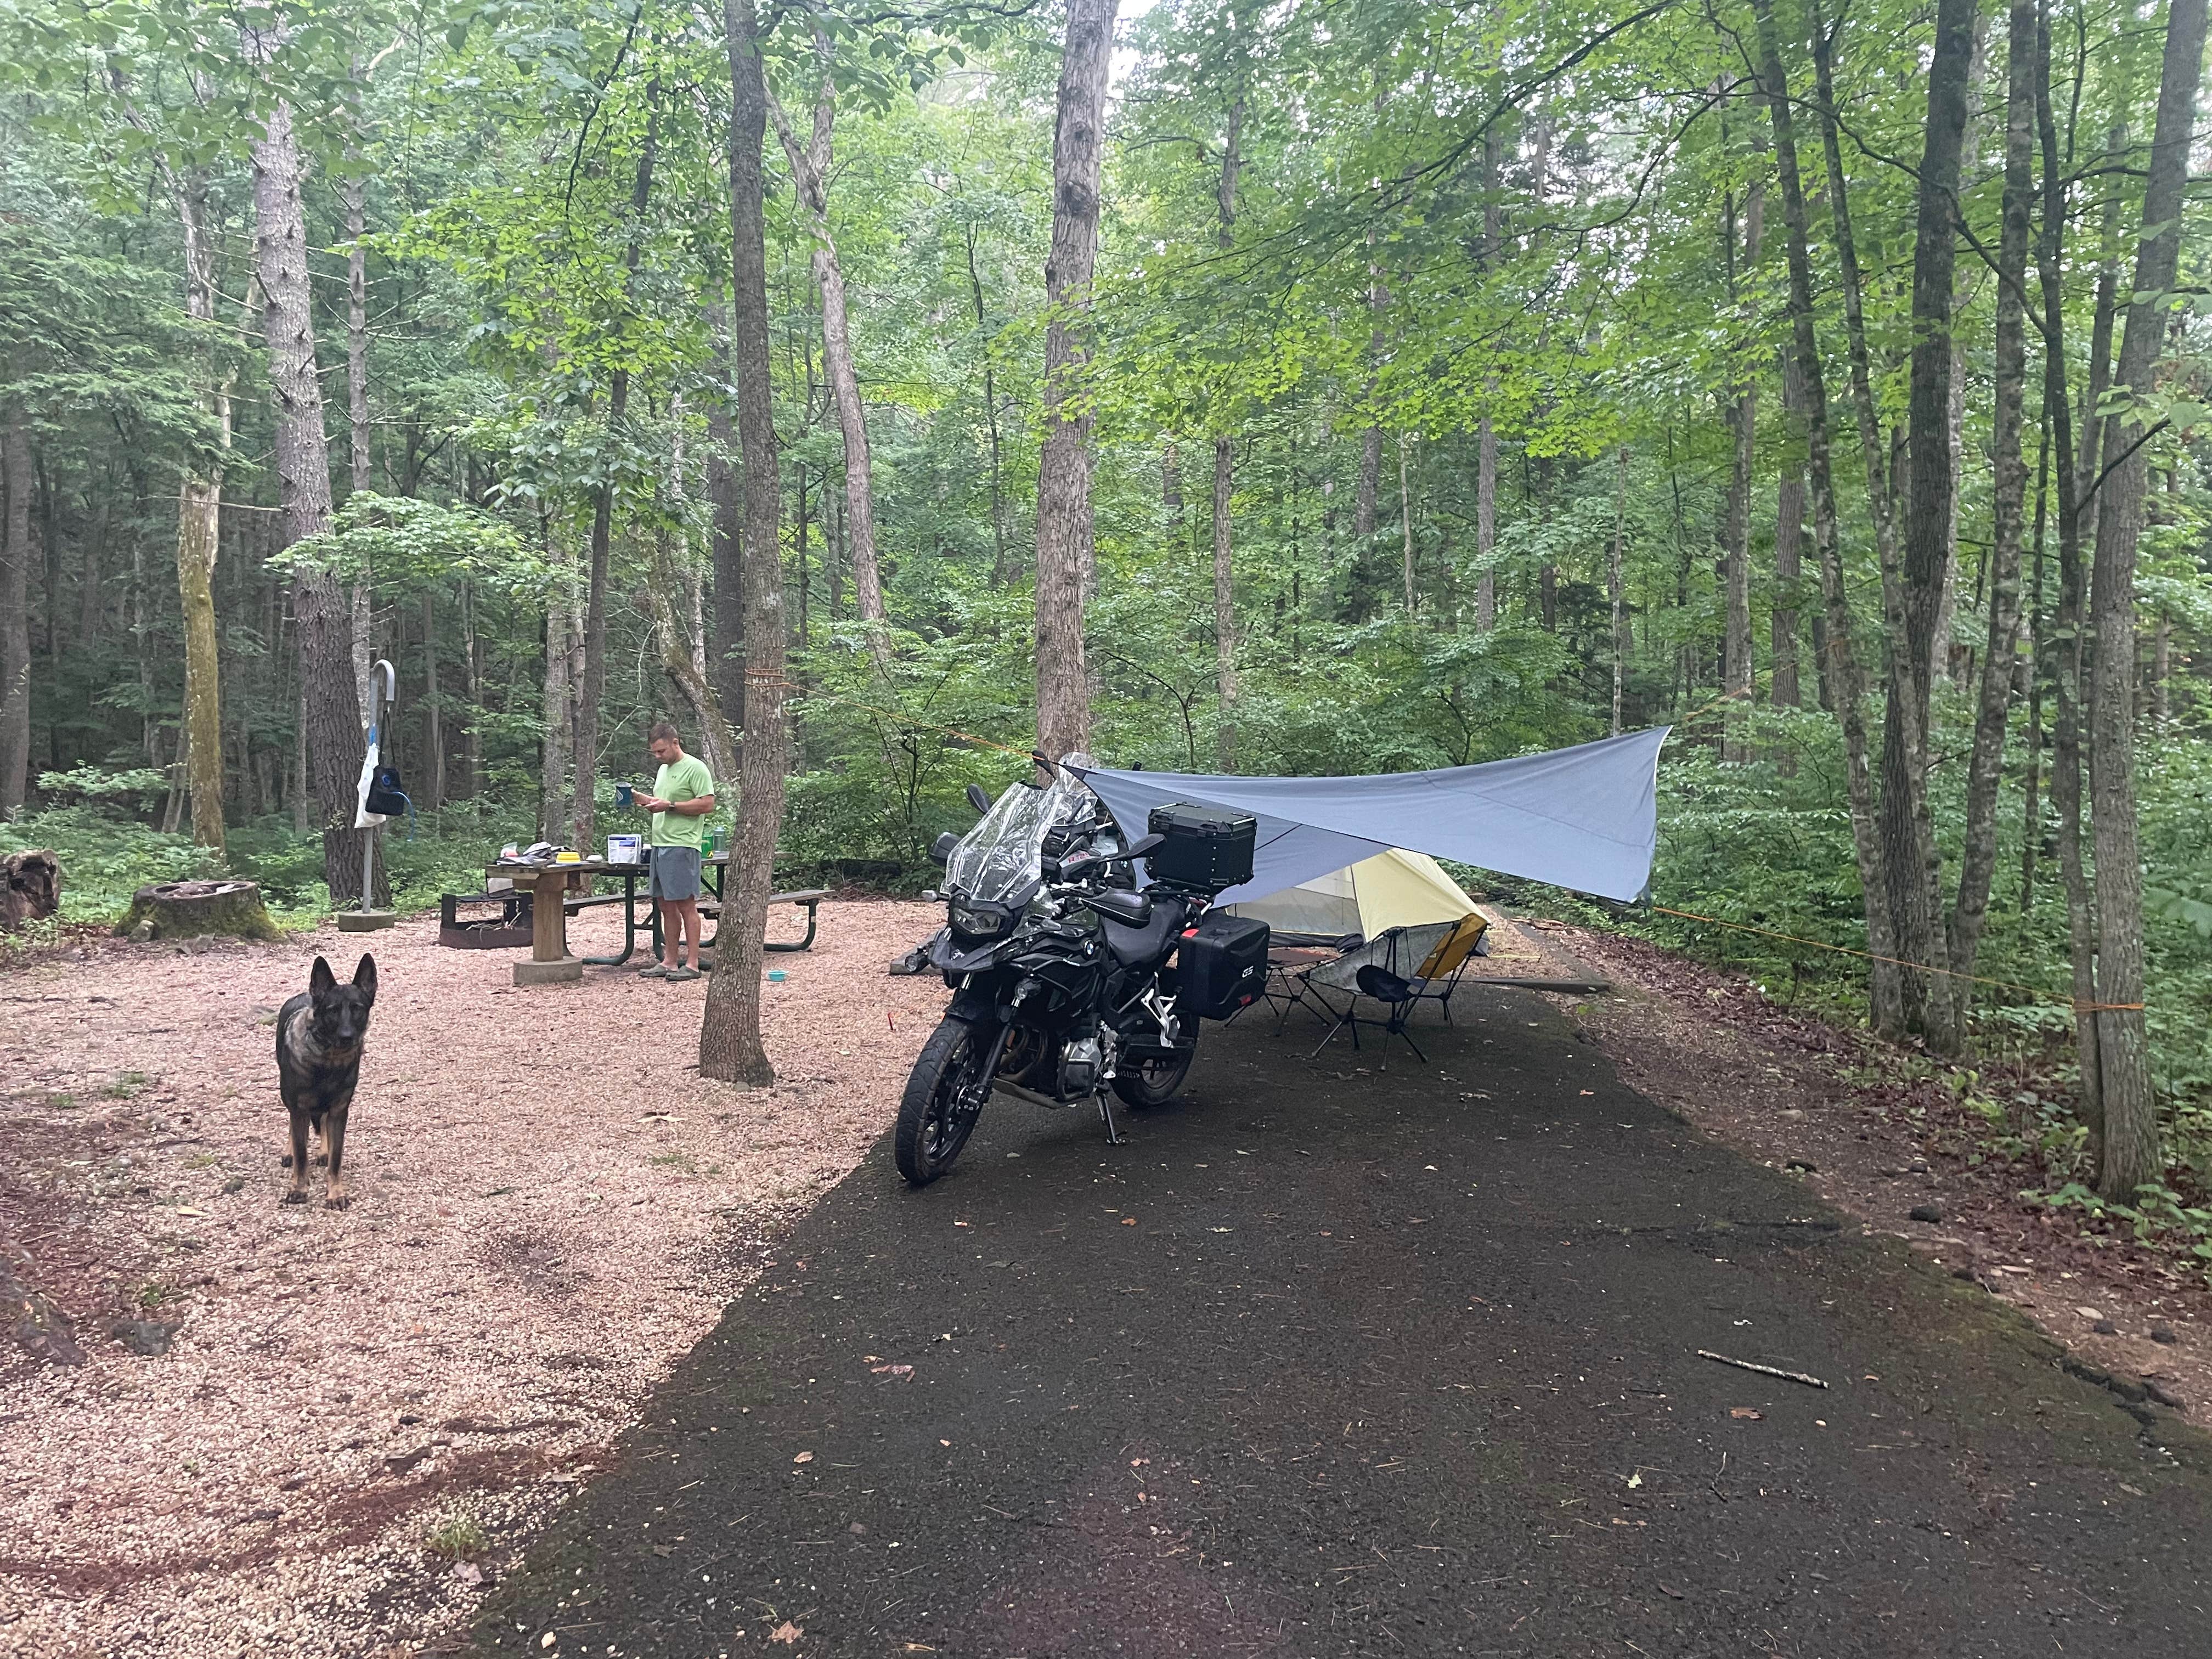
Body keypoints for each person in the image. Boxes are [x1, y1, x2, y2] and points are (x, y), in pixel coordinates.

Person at [632, 722, 716, 981]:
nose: (658, 757)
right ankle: (669, 961)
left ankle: (692, 964)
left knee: (685, 904)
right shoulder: (663, 770)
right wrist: (641, 799)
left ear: (675, 743)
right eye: (654, 753)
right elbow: (666, 803)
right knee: (665, 904)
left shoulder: (695, 768)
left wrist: (670, 806)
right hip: (660, 844)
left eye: (661, 751)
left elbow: (707, 804)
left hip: (682, 845)